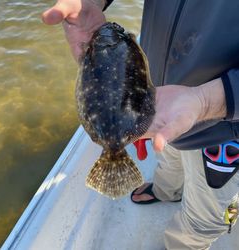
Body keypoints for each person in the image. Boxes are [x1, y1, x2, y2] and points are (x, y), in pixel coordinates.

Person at [42, 1, 239, 249]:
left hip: (224, 127)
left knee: (206, 217)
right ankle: (168, 191)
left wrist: (208, 100)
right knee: (168, 154)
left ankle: (186, 244)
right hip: (162, 102)